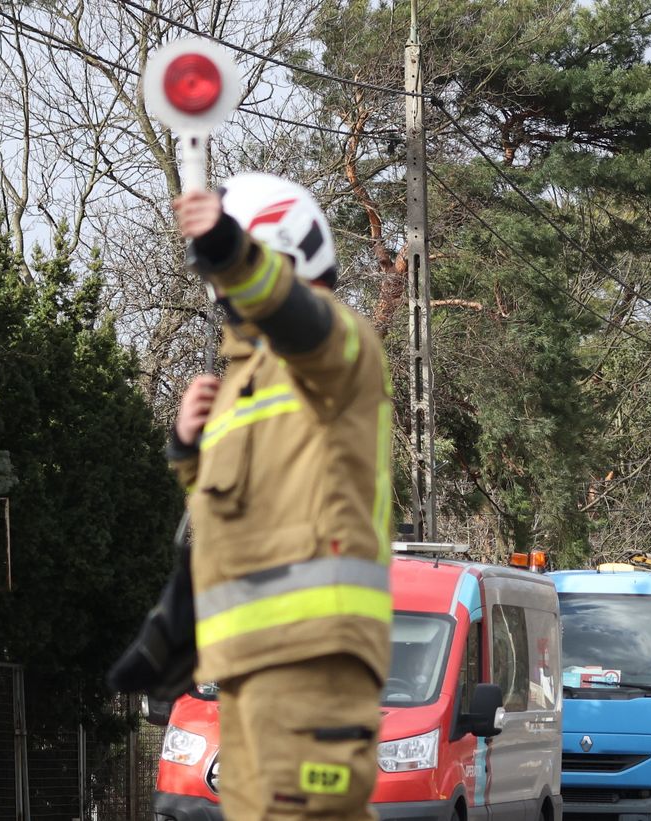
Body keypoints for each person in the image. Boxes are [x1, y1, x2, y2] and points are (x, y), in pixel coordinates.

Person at [111, 173, 394, 821]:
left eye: (237, 269)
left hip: (310, 658)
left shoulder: (340, 346)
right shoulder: (245, 383)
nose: (225, 290)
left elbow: (296, 313)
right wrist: (187, 454)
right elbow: (229, 516)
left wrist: (228, 247)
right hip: (243, 670)